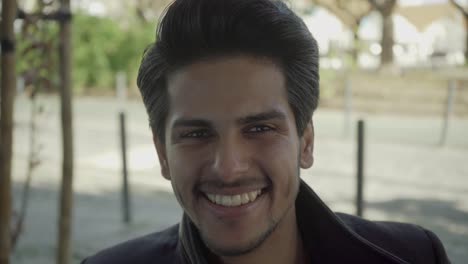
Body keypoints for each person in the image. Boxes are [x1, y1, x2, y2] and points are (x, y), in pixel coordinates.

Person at [82, 0, 450, 263]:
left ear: (306, 141)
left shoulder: (414, 255)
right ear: (162, 153)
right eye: (196, 135)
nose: (228, 168)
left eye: (259, 128)